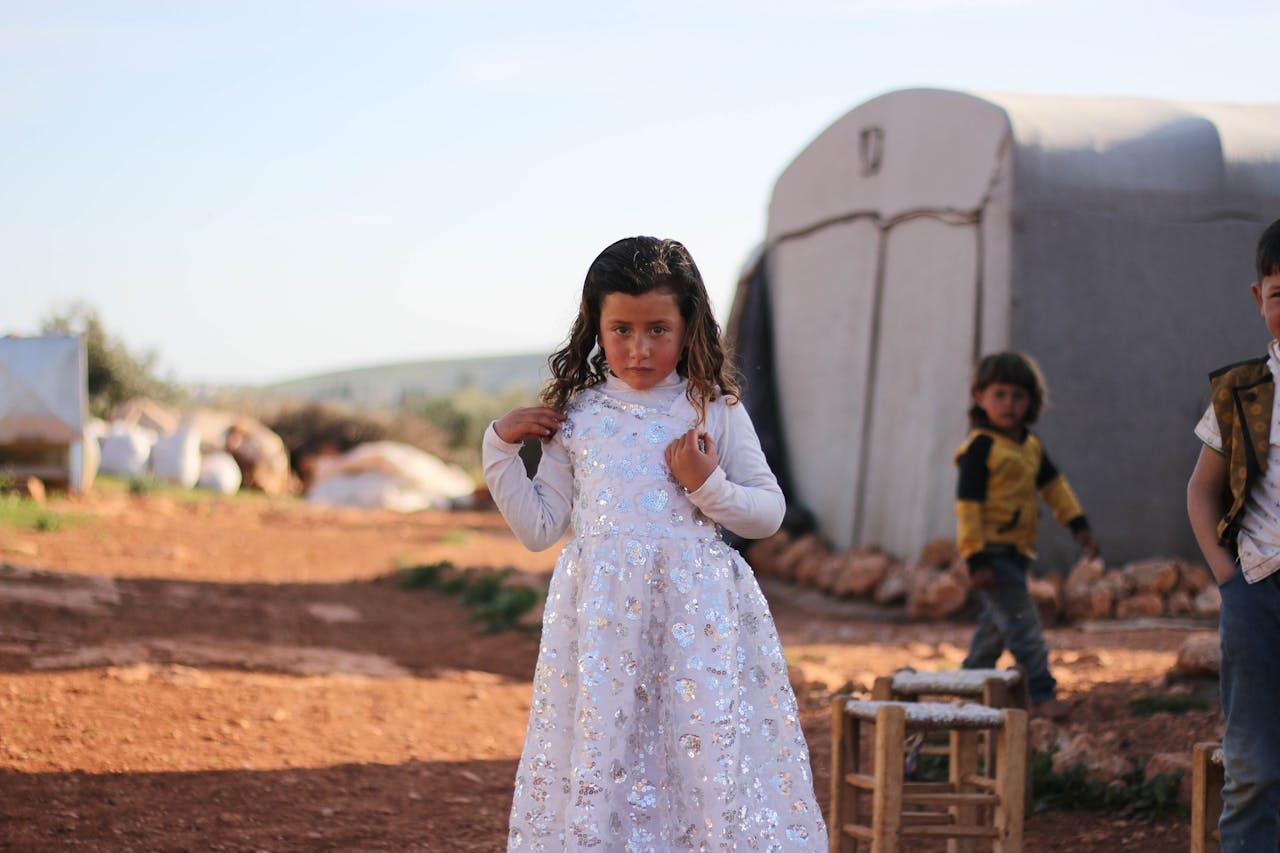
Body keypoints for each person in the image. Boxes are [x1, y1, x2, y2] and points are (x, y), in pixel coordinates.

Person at [483, 236, 827, 850]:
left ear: (689, 326)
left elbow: (768, 515)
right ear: (595, 327)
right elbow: (539, 530)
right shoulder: (577, 415)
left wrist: (708, 486)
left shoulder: (713, 409)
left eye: (658, 330)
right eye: (621, 330)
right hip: (602, 625)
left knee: (697, 749)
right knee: (609, 749)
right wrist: (500, 449)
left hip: (699, 622)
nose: (639, 349)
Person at [1186, 217, 1280, 851]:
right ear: (1259, 298)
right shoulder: (1241, 393)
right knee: (1252, 764)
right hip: (1259, 595)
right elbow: (1201, 489)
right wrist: (1228, 576)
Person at [954, 352, 1098, 717]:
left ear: (1032, 401)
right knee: (1024, 625)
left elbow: (1055, 488)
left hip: (1017, 553)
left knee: (995, 629)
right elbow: (967, 508)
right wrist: (975, 557)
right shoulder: (980, 448)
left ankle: (967, 689)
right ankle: (1042, 692)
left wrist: (1078, 524)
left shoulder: (1030, 446)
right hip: (992, 554)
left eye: (1018, 396)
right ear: (979, 396)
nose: (1009, 404)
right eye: (999, 394)